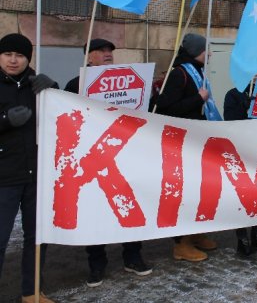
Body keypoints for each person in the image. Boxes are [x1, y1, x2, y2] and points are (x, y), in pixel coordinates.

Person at [64, 38, 152, 286]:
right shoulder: (75, 84)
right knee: (94, 210)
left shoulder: (129, 79)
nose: (107, 54)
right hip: (91, 157)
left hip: (124, 154)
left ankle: (133, 256)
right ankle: (96, 263)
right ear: (88, 56)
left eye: (109, 51)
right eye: (101, 50)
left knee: (130, 205)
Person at [0, 33, 57, 303]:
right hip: (4, 177)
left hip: (37, 175)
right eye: (8, 54)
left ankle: (32, 291)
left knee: (37, 237)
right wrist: (4, 120)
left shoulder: (38, 85)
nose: (13, 60)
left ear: (28, 59)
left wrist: (54, 89)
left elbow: (64, 116)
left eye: (20, 55)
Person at [155, 33, 219, 262]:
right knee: (186, 194)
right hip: (181, 144)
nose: (209, 53)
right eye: (206, 50)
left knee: (200, 191)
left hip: (196, 140)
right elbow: (166, 109)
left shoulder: (197, 71)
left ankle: (195, 234)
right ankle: (181, 244)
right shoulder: (179, 74)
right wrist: (198, 99)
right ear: (195, 52)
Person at [223, 73, 257, 257]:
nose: (256, 75)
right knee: (243, 195)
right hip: (241, 152)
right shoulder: (233, 94)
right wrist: (248, 110)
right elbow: (230, 122)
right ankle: (242, 239)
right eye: (252, 71)